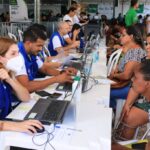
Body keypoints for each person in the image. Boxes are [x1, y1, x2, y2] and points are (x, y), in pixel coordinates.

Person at [0, 37, 43, 133]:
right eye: (13, 53)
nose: (18, 56)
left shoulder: (9, 73)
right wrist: (16, 126)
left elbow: (26, 97)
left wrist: (10, 79)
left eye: (18, 52)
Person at [16, 27, 76, 93]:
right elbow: (26, 86)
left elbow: (44, 69)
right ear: (28, 43)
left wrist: (62, 73)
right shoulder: (17, 55)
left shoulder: (31, 52)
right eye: (39, 46)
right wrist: (55, 79)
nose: (41, 49)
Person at [115, 34, 150, 140]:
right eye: (147, 43)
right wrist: (127, 104)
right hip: (144, 96)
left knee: (130, 117)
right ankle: (119, 141)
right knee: (125, 112)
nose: (147, 47)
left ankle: (122, 143)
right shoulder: (146, 60)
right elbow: (136, 83)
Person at [109, 25, 146, 109]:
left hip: (131, 89)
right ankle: (114, 110)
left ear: (131, 37)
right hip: (127, 85)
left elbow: (126, 75)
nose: (120, 37)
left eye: (123, 35)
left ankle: (113, 113)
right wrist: (117, 70)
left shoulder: (136, 52)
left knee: (104, 93)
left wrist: (114, 75)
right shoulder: (131, 50)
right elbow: (122, 67)